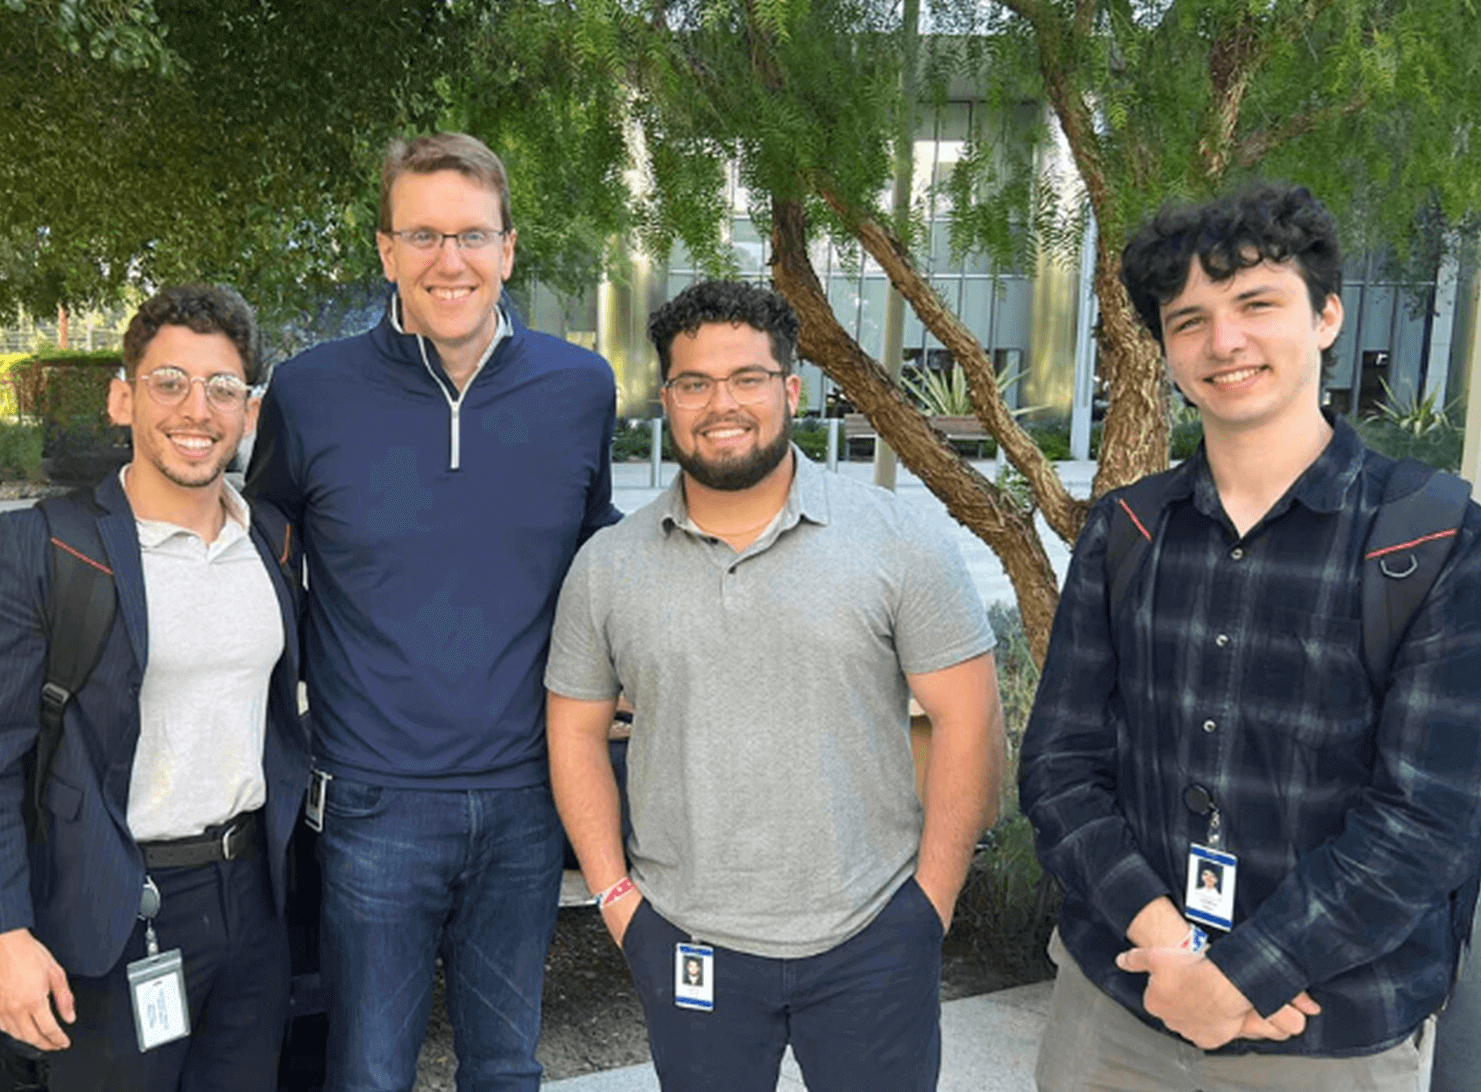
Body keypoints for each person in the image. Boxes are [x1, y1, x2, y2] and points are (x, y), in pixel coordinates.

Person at [1018, 181, 1481, 1091]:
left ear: (1326, 317)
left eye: (1256, 304)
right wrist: (1170, 948)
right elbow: (1059, 768)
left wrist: (1240, 978)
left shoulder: (1431, 537)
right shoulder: (1127, 530)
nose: (1222, 343)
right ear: (1165, 352)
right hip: (1120, 1005)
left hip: (1322, 1034)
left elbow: (1426, 821)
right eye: (1188, 321)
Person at [546, 280, 1005, 1092]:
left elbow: (968, 722)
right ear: (668, 400)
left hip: (872, 936)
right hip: (688, 941)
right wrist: (619, 902)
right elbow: (574, 733)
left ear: (790, 389)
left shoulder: (895, 540)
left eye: (747, 378)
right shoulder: (609, 566)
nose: (721, 403)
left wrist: (928, 904)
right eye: (695, 383)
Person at [245, 132, 621, 1092]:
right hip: (372, 800)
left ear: (507, 248)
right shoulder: (310, 390)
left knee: (506, 1068)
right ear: (385, 251)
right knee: (367, 1071)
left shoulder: (580, 388)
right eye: (421, 235)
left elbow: (599, 550)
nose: (447, 260)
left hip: (529, 797)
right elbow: (255, 544)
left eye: (470, 235)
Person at [0, 285, 310, 1091]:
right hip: (108, 905)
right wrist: (5, 932)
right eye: (169, 381)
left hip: (252, 897)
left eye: (222, 388)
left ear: (248, 411)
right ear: (122, 397)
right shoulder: (47, 549)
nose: (195, 409)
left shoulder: (270, 541)